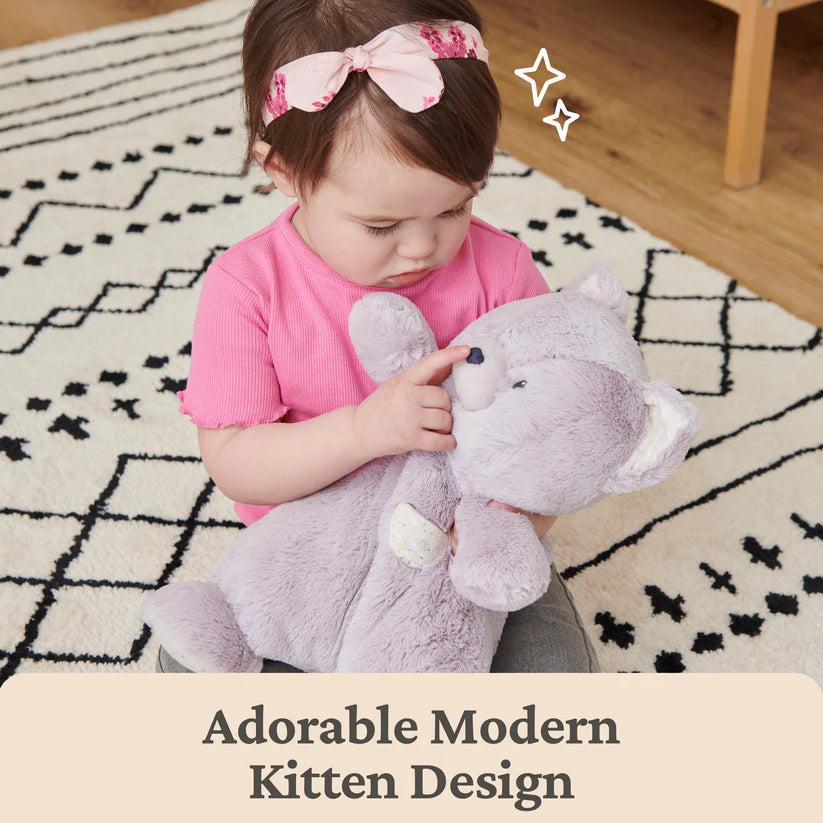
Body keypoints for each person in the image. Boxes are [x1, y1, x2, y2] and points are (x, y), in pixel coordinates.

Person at [159, 0, 600, 673]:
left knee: (553, 679)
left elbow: (554, 422)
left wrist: (513, 522)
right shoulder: (247, 286)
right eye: (380, 226)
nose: (422, 246)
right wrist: (365, 430)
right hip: (310, 555)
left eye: (456, 206)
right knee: (196, 666)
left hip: (459, 552)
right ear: (283, 172)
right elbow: (237, 462)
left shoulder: (502, 268)